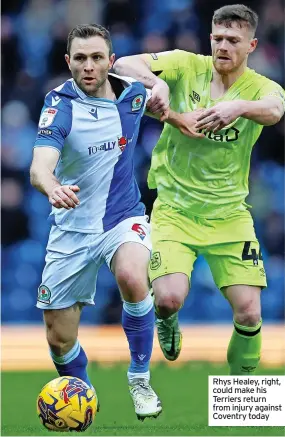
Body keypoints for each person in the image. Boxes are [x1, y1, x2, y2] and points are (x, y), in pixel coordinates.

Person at [113, 4, 285, 375]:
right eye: (218, 38)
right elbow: (122, 64)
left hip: (229, 215)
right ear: (210, 38)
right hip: (175, 210)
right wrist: (156, 83)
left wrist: (237, 107)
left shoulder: (260, 88)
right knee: (169, 299)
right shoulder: (186, 65)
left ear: (251, 45)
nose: (223, 46)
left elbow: (275, 110)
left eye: (233, 40)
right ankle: (166, 319)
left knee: (250, 311)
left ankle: (241, 388)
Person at [30, 23, 164, 420]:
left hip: (122, 218)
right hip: (72, 228)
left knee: (133, 276)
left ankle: (140, 379)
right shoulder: (59, 105)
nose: (88, 66)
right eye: (81, 59)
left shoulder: (133, 94)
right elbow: (40, 167)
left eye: (96, 57)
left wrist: (167, 94)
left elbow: (161, 83)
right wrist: (52, 186)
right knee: (59, 339)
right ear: (68, 61)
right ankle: (82, 399)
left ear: (110, 60)